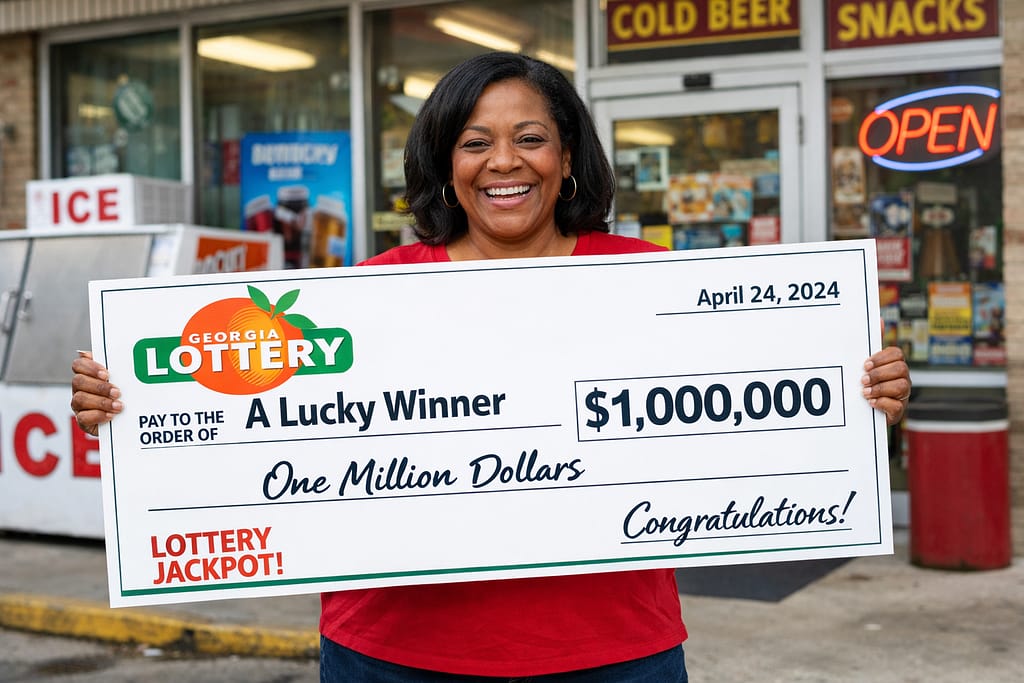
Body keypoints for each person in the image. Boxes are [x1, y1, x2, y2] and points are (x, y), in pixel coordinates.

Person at [72, 52, 912, 682]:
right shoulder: (369, 295)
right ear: (446, 164)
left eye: (530, 139)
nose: (503, 161)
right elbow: (246, 430)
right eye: (476, 142)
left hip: (612, 650)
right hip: (396, 652)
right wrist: (129, 409)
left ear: (569, 158)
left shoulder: (648, 278)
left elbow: (752, 419)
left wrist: (859, 399)